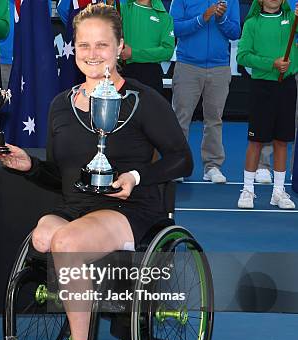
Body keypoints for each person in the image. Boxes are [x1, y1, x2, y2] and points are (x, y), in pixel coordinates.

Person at [0, 4, 192, 340]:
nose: (91, 52)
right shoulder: (60, 105)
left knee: (66, 242)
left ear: (120, 47)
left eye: (102, 44)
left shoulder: (142, 100)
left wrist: (136, 177)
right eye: (83, 44)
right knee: (43, 237)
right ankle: (78, 309)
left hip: (127, 208)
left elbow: (182, 159)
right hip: (76, 207)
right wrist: (27, 166)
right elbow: (61, 176)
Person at [170, 0, 240, 183]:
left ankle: (212, 167)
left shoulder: (230, 1)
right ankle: (178, 165)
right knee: (180, 118)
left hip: (219, 67)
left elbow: (235, 33)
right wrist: (202, 18)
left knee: (214, 119)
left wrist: (221, 18)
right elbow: (174, 28)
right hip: (187, 65)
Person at [236, 0, 297, 209]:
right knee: (256, 141)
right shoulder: (252, 23)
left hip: (287, 87)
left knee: (282, 141)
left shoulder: (292, 20)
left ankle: (278, 192)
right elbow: (242, 55)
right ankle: (247, 190)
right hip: (261, 88)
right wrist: (272, 63)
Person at [119, 0, 175, 95]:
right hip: (125, 71)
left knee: (151, 109)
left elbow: (168, 51)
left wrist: (133, 53)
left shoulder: (165, 17)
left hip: (152, 74)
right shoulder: (122, 9)